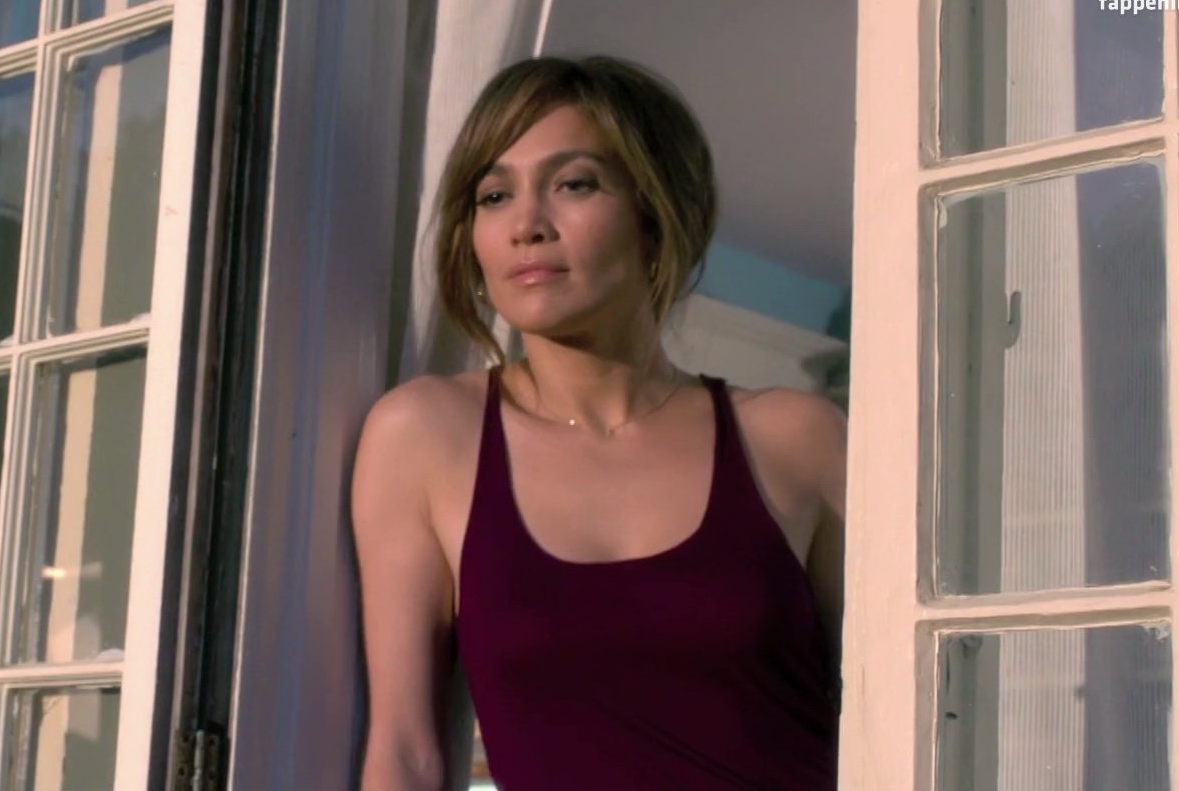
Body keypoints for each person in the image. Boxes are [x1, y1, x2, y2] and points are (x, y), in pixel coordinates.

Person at [351, 55, 847, 790]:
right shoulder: (426, 436)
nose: (526, 226)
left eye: (574, 184)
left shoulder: (796, 438)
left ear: (654, 213)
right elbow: (405, 751)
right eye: (494, 195)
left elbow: (896, 714)